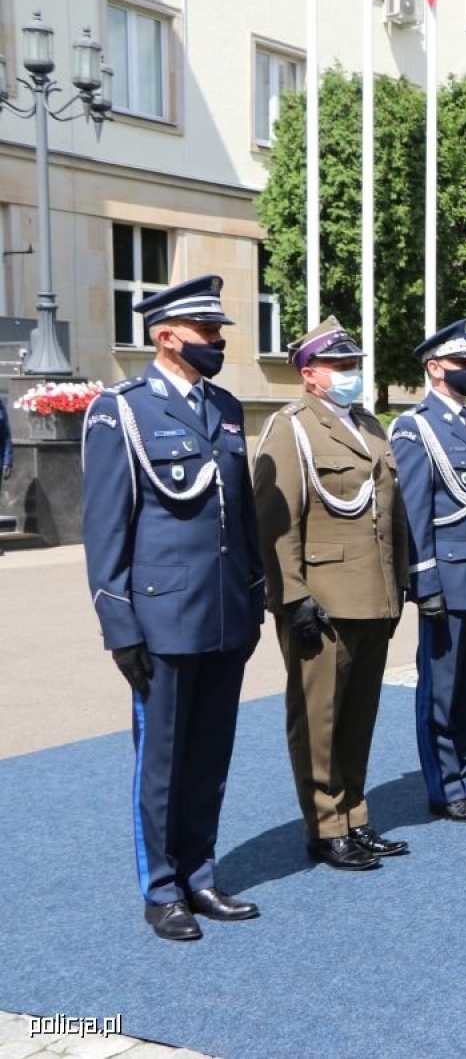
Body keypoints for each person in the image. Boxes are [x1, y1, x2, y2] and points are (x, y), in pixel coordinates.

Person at [80, 275, 266, 941]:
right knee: (160, 760)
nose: (217, 342)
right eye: (206, 332)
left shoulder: (224, 406)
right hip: (161, 618)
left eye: (218, 331)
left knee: (211, 752)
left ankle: (201, 872)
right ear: (165, 336)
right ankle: (162, 889)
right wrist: (118, 624)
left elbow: (238, 514)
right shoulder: (121, 409)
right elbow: (106, 529)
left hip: (222, 614)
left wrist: (254, 595)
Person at [254, 317, 410, 871]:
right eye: (341, 367)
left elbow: (391, 514)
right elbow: (276, 520)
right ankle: (324, 827)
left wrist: (399, 584)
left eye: (355, 366)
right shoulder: (291, 427)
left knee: (358, 716)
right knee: (318, 718)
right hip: (321, 601)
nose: (352, 375)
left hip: (373, 596)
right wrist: (291, 597)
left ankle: (355, 815)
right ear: (310, 375)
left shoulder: (369, 426)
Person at [389, 318, 466, 822]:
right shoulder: (416, 427)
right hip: (450, 575)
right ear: (435, 368)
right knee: (442, 689)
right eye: (463, 363)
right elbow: (415, 511)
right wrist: (425, 580)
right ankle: (446, 788)